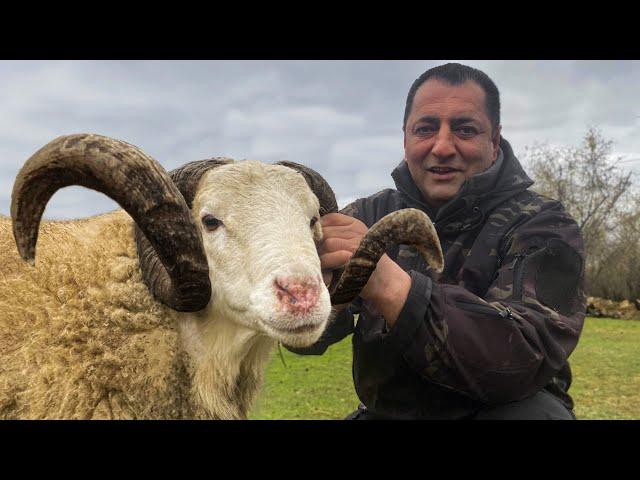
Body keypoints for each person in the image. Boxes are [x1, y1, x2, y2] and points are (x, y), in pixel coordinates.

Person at [287, 63, 586, 420]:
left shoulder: (545, 226)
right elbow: (310, 337)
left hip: (503, 412)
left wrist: (386, 282)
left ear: (494, 139)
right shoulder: (366, 213)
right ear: (405, 139)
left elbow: (523, 355)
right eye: (426, 128)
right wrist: (303, 286)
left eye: (465, 129)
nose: (442, 146)